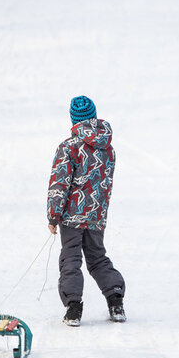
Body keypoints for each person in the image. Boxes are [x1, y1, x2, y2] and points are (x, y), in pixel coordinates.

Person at [47, 96, 126, 326]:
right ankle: (115, 301)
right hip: (96, 215)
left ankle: (73, 307)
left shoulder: (68, 147)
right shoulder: (107, 148)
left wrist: (54, 215)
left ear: (74, 119)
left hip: (71, 215)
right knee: (97, 257)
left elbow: (59, 184)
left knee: (71, 257)